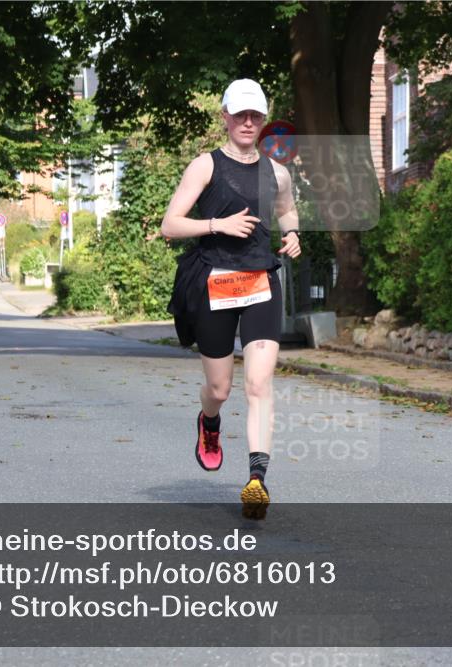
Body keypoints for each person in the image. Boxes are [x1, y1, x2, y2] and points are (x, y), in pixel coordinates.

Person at [162, 78, 302, 519]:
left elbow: (286, 209)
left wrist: (293, 233)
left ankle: (257, 480)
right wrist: (215, 226)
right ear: (224, 116)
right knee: (220, 389)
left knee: (259, 383)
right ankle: (209, 423)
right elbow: (170, 225)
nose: (247, 122)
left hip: (261, 280)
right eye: (239, 114)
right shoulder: (205, 166)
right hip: (214, 280)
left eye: (254, 115)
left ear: (262, 120)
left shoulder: (277, 172)